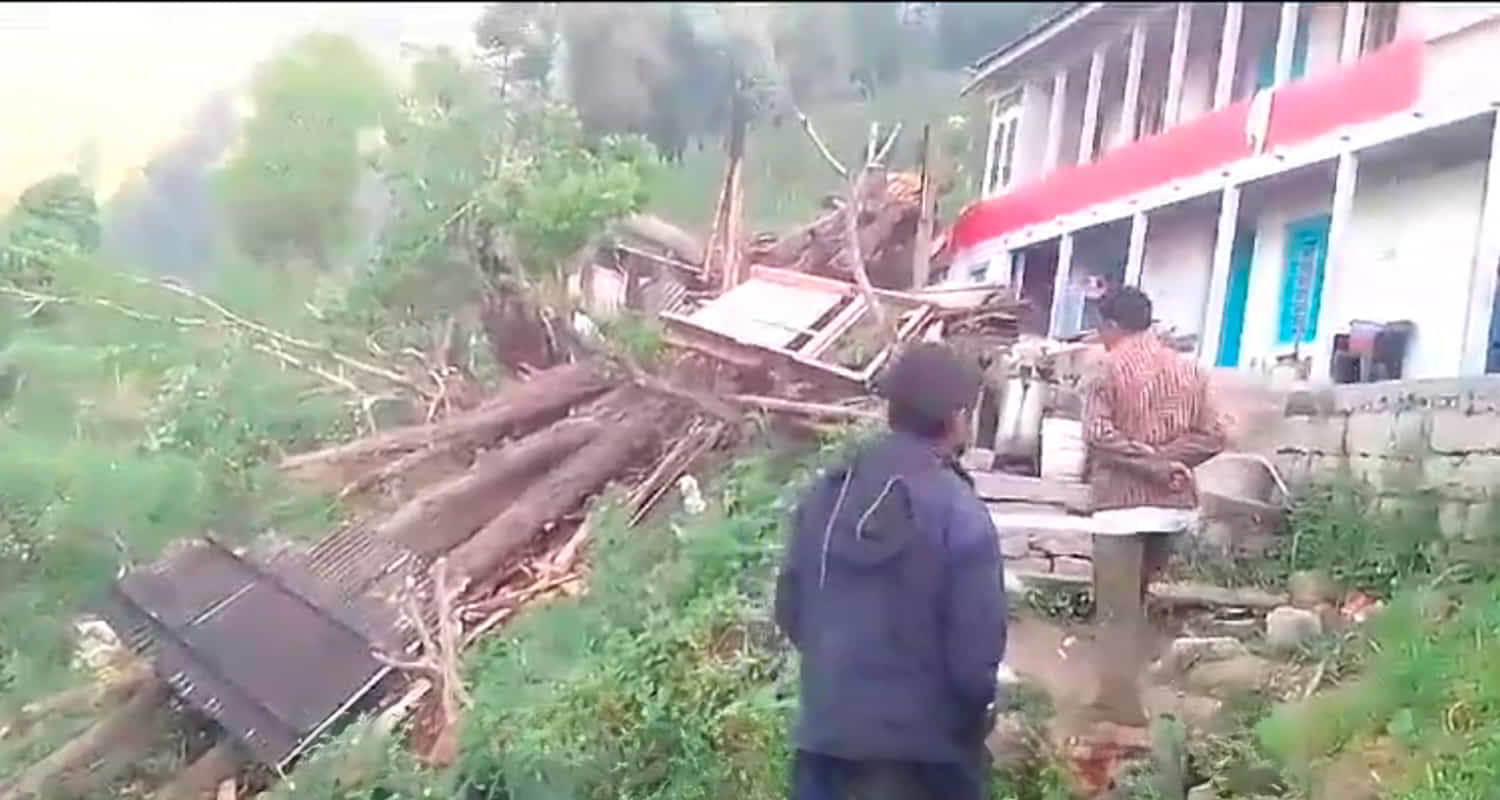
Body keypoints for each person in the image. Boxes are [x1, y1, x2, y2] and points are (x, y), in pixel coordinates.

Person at [775, 343, 1007, 800]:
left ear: (891, 410)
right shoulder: (960, 512)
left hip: (827, 744)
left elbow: (791, 609)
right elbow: (975, 657)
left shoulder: (827, 492)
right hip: (926, 760)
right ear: (960, 416)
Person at [1083, 286, 1226, 721]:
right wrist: (1169, 464)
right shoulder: (1192, 371)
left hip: (1120, 508)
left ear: (1109, 325)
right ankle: (1131, 693)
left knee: (1115, 610)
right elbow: (1217, 434)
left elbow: (1098, 436)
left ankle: (1120, 706)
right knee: (1137, 600)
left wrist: (1150, 465)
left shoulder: (1105, 369)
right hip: (1172, 511)